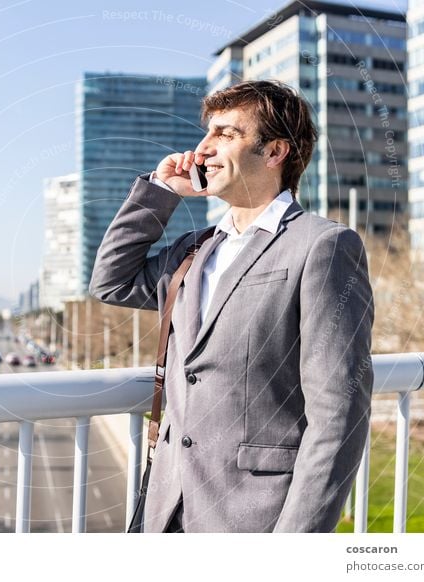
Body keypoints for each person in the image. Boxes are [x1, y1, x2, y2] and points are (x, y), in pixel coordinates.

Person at [88, 80, 374, 533]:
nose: (203, 149)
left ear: (275, 151)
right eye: (207, 134)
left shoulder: (322, 246)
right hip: (167, 511)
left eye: (226, 134)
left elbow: (338, 414)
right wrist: (161, 189)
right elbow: (111, 282)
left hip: (254, 519)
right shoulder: (192, 251)